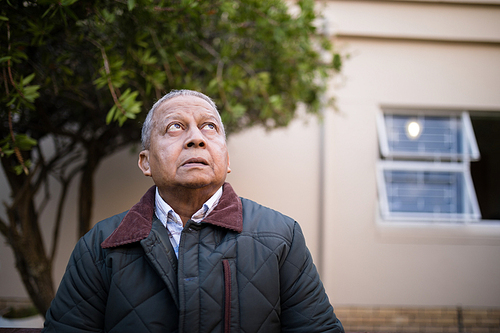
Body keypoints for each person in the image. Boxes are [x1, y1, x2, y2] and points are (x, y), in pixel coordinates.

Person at [42, 89, 344, 333]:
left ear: (226, 160)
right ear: (145, 162)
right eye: (175, 126)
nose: (196, 138)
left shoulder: (282, 236)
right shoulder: (99, 245)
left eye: (209, 126)